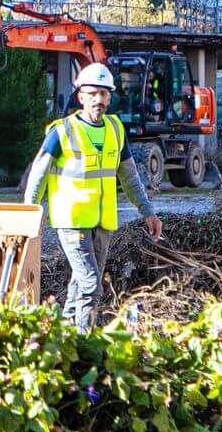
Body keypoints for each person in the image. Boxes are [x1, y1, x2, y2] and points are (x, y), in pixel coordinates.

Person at [20, 62, 162, 331]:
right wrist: (28, 215)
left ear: (110, 96)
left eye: (104, 93)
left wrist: (148, 212)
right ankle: (85, 342)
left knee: (80, 282)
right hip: (71, 221)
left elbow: (130, 177)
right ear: (80, 96)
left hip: (102, 222)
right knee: (90, 283)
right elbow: (38, 175)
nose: (99, 99)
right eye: (93, 93)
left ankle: (64, 336)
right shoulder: (62, 131)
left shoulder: (116, 130)